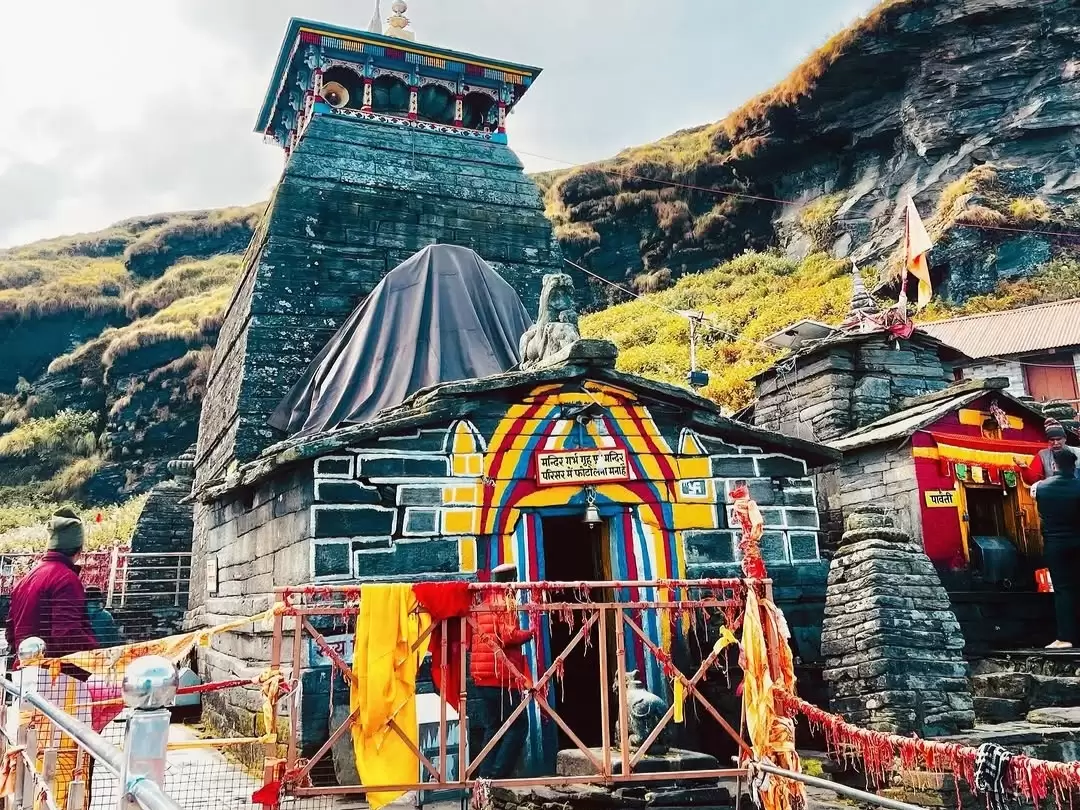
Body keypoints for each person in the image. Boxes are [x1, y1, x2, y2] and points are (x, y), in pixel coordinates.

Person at [6, 508, 98, 810]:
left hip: (25, 681)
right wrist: (102, 657)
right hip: (59, 683)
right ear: (78, 548)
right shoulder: (64, 579)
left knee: (30, 759)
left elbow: (11, 633)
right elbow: (66, 634)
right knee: (61, 762)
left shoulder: (27, 578)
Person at [470, 562, 536, 779]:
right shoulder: (505, 603)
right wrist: (530, 632)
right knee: (518, 727)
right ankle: (498, 778)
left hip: (482, 677)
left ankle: (485, 777)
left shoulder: (483, 603)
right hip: (502, 677)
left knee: (493, 728)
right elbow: (508, 636)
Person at [1034, 449, 1080, 649]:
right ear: (1074, 467)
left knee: (1063, 590)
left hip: (1055, 545)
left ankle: (1065, 638)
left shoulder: (1042, 488)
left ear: (1054, 466)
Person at [1019, 420, 1080, 489]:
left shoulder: (1078, 452)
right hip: (1053, 493)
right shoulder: (1043, 455)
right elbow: (1033, 480)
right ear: (1048, 441)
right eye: (1052, 440)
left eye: (1058, 439)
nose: (1055, 443)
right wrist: (1025, 469)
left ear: (1065, 439)